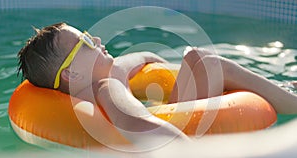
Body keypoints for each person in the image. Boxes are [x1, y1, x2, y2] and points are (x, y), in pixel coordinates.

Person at [17, 23, 297, 143]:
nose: (98, 41)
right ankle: (291, 100)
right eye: (87, 42)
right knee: (207, 62)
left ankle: (287, 93)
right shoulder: (107, 89)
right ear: (72, 74)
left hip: (172, 114)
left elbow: (142, 56)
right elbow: (137, 123)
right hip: (181, 134)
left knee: (197, 58)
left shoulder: (107, 76)